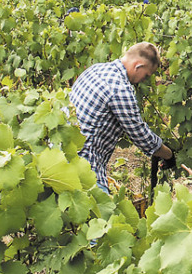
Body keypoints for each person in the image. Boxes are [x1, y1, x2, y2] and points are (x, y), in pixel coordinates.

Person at [69, 42, 174, 193]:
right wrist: (168, 154)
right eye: (146, 76)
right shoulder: (119, 88)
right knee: (101, 214)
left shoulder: (94, 70)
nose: (143, 81)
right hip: (85, 166)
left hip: (63, 157)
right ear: (138, 66)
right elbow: (140, 135)